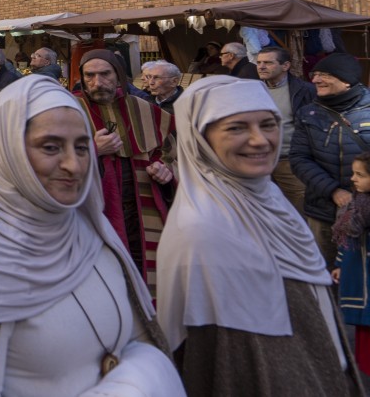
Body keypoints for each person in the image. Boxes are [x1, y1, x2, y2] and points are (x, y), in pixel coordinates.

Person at [0, 76, 183, 397]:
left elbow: (138, 336)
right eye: (51, 147)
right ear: (6, 152)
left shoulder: (89, 227)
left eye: (82, 147)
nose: (74, 165)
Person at [157, 76, 361, 396]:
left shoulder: (271, 199)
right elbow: (216, 359)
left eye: (268, 124)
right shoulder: (203, 231)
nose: (260, 140)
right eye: (236, 128)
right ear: (200, 139)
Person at [74, 49, 175, 295]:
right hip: (94, 206)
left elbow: (170, 152)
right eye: (90, 75)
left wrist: (165, 170)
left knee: (147, 266)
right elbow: (47, 160)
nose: (97, 82)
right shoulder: (68, 110)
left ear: (119, 76)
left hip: (143, 203)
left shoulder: (144, 109)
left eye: (105, 74)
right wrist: (91, 150)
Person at [291, 52, 370, 264]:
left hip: (367, 210)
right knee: (326, 270)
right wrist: (333, 191)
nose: (315, 80)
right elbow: (299, 158)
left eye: (324, 75)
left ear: (346, 80)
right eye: (315, 74)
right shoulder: (307, 113)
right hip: (322, 209)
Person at [257, 45, 316, 213]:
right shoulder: (252, 89)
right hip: (258, 161)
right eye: (259, 62)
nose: (261, 66)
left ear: (286, 66)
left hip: (289, 161)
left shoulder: (305, 90)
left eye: (268, 63)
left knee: (300, 209)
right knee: (266, 210)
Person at [333, 151, 370, 378]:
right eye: (353, 173)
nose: (353, 179)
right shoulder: (354, 206)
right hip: (358, 276)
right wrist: (339, 264)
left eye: (360, 174)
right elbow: (345, 241)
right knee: (363, 330)